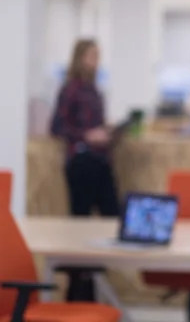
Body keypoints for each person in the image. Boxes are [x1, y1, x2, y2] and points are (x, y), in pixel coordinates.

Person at [50, 38, 119, 302]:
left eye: (98, 55)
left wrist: (108, 132)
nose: (96, 61)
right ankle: (77, 294)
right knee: (80, 227)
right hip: (81, 162)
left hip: (100, 162)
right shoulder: (71, 89)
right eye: (92, 55)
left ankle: (93, 285)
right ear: (79, 58)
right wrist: (87, 136)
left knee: (110, 220)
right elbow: (57, 126)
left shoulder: (93, 89)